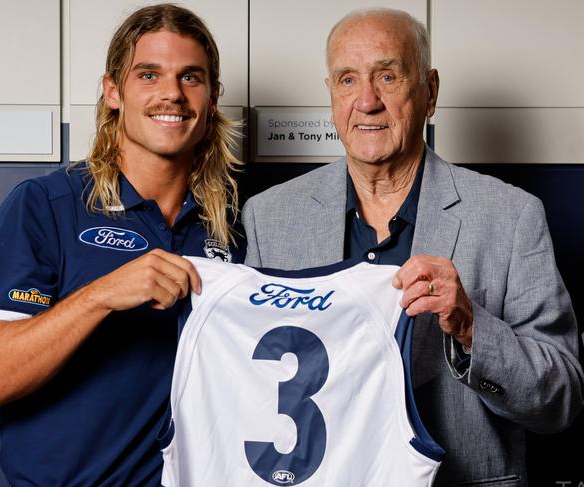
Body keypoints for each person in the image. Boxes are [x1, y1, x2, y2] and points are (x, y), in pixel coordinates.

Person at [241, 7, 583, 486]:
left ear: (430, 91)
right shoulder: (270, 218)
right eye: (347, 80)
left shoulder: (511, 217)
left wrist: (471, 329)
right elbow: (252, 388)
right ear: (331, 96)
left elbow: (562, 400)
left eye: (388, 75)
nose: (366, 100)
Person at [0, 4, 243, 485]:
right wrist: (102, 295)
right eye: (149, 75)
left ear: (212, 97)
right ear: (113, 91)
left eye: (190, 78)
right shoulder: (47, 205)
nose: (171, 94)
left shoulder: (235, 225)